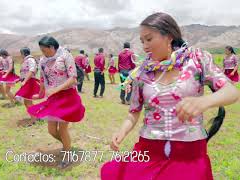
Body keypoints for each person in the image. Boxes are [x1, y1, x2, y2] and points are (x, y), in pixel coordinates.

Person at [100, 12, 240, 180]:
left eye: (149, 39)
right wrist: (122, 131)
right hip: (148, 149)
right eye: (142, 41)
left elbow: (231, 92)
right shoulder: (142, 72)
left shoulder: (196, 60)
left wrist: (205, 102)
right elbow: (134, 111)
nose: (144, 46)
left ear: (169, 36)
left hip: (189, 153)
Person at [27, 36, 85, 168]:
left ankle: (68, 155)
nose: (43, 53)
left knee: (63, 129)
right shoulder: (42, 60)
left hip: (67, 96)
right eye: (41, 50)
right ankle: (67, 146)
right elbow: (43, 78)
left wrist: (55, 90)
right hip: (53, 98)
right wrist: (41, 93)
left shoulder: (65, 55)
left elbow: (73, 79)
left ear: (52, 47)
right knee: (52, 130)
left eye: (44, 50)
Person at [15, 47, 40, 126]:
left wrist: (25, 81)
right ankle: (36, 116)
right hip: (27, 82)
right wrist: (20, 79)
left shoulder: (30, 60)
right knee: (27, 102)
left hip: (29, 82)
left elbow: (31, 70)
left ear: (23, 53)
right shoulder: (26, 60)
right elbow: (24, 72)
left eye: (21, 53)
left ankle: (33, 120)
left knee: (27, 102)